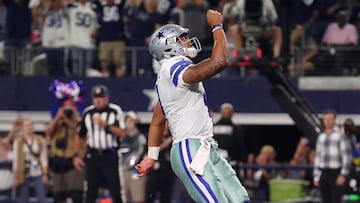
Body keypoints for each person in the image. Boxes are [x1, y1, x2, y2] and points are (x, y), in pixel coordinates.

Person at [135, 9, 249, 203]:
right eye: (182, 38)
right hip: (190, 147)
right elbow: (219, 62)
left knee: (240, 199)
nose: (188, 41)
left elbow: (157, 121)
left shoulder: (165, 77)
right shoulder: (173, 65)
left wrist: (152, 156)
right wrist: (217, 27)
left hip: (204, 148)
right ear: (169, 47)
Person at [73, 84, 127, 203]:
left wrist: (105, 125)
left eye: (101, 97)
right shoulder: (88, 112)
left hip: (110, 156)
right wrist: (76, 155)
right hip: (93, 156)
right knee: (90, 192)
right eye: (96, 97)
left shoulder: (115, 110)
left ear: (107, 98)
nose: (98, 100)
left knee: (116, 191)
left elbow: (123, 133)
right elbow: (80, 135)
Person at [46, 99, 85, 203]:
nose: (67, 111)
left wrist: (69, 120)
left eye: (70, 108)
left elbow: (81, 133)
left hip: (72, 161)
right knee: (58, 195)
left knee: (76, 195)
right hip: (57, 161)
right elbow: (48, 133)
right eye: (65, 108)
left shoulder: (79, 122)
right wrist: (58, 117)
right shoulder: (58, 122)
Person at [313, 110, 352, 203]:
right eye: (326, 119)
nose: (328, 121)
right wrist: (316, 176)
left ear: (334, 121)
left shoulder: (341, 136)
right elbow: (318, 158)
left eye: (330, 119)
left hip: (335, 172)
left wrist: (343, 174)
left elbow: (347, 157)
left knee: (335, 200)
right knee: (325, 200)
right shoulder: (321, 137)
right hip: (323, 172)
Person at [13, 118, 48, 203]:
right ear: (23, 127)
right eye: (25, 125)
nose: (28, 127)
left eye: (30, 125)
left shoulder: (39, 140)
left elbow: (43, 157)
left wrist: (45, 174)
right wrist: (15, 176)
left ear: (33, 126)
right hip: (23, 171)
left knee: (41, 197)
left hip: (37, 169)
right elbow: (15, 160)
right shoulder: (18, 141)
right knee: (23, 198)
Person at [120, 111, 147, 203]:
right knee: (123, 198)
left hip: (136, 171)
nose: (130, 122)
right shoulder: (120, 136)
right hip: (122, 171)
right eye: (128, 120)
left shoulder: (141, 137)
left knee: (138, 197)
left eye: (132, 120)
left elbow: (146, 152)